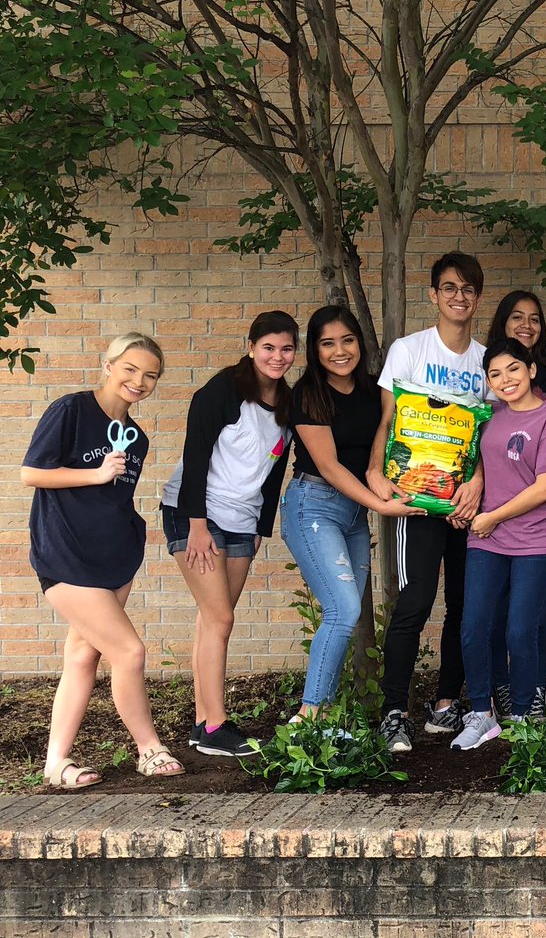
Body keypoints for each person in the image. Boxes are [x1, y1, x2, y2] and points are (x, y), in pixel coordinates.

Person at [22, 333, 184, 787]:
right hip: (66, 554)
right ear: (108, 364)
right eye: (130, 368)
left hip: (115, 556)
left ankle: (56, 763)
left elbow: (115, 498)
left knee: (81, 656)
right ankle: (150, 750)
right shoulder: (71, 410)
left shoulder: (138, 438)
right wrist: (95, 473)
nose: (139, 381)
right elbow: (31, 472)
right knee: (129, 652)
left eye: (150, 375)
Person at [366, 251, 488, 753]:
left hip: (466, 502)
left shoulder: (485, 359)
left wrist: (477, 482)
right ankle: (395, 711)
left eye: (468, 289)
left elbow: (491, 433)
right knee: (413, 602)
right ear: (434, 294)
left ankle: (444, 704)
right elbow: (389, 419)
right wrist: (375, 471)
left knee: (464, 605)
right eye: (450, 287)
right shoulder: (409, 349)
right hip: (416, 499)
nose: (459, 296)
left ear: (477, 298)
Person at [161, 311, 297, 758]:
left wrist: (261, 528)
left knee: (212, 619)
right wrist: (196, 525)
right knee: (220, 619)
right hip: (197, 513)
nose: (278, 357)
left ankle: (204, 723)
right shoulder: (222, 390)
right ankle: (217, 725)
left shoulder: (288, 404)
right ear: (252, 345)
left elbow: (276, 473)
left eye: (286, 348)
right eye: (269, 347)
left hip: (244, 519)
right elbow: (195, 455)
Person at [281, 306, 421, 720]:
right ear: (315, 350)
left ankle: (322, 714)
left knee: (347, 613)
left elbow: (385, 447)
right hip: (314, 506)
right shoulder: (307, 393)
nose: (339, 351)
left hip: (354, 515)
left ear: (359, 343)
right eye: (328, 343)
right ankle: (310, 716)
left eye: (347, 340)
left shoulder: (369, 391)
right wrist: (381, 505)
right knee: (343, 610)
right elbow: (329, 465)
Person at [452, 339, 546, 749]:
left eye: (513, 370)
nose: (505, 380)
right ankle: (481, 715)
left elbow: (545, 488)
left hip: (536, 541)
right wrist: (466, 505)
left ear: (532, 371)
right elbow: (479, 467)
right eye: (495, 374)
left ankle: (522, 715)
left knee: (520, 631)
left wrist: (491, 517)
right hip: (486, 537)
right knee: (473, 628)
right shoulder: (489, 415)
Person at [487, 289, 546, 414]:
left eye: (534, 319)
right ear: (503, 322)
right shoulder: (484, 367)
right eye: (517, 317)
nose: (527, 325)